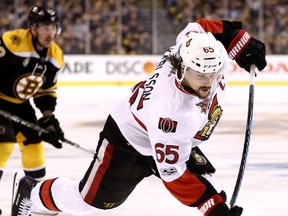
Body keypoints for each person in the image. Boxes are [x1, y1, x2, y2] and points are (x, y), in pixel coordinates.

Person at [12, 18, 266, 216]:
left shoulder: (191, 50)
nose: (209, 82)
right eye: (200, 74)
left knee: (208, 185)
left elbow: (198, 26)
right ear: (183, 69)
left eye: (214, 72)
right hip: (127, 142)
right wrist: (214, 209)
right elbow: (174, 175)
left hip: (168, 138)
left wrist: (239, 40)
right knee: (86, 204)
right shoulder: (171, 113)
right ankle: (30, 193)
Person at [0, 5, 65, 182]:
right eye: (45, 27)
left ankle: (35, 199)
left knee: (34, 147)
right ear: (33, 27)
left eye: (53, 27)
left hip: (21, 105)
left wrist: (48, 119)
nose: (50, 33)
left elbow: (45, 91)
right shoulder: (14, 42)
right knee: (3, 144)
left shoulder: (55, 55)